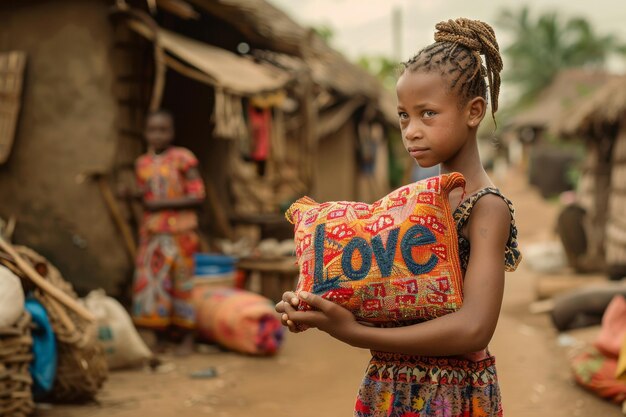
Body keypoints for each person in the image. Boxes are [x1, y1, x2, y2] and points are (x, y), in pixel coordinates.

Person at [275, 18, 522, 416]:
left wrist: (355, 333)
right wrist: (318, 305)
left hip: (450, 394)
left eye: (427, 114)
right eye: (404, 116)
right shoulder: (415, 203)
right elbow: (386, 290)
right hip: (388, 384)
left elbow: (475, 327)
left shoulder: (485, 206)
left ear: (474, 111)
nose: (410, 131)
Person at [130, 109, 206, 356]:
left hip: (181, 234)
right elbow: (144, 195)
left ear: (172, 132)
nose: (158, 135)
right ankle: (160, 335)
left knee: (182, 284)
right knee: (155, 284)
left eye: (163, 130)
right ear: (145, 133)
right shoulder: (142, 164)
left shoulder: (184, 159)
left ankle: (187, 337)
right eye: (153, 130)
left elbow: (197, 195)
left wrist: (158, 205)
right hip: (153, 234)